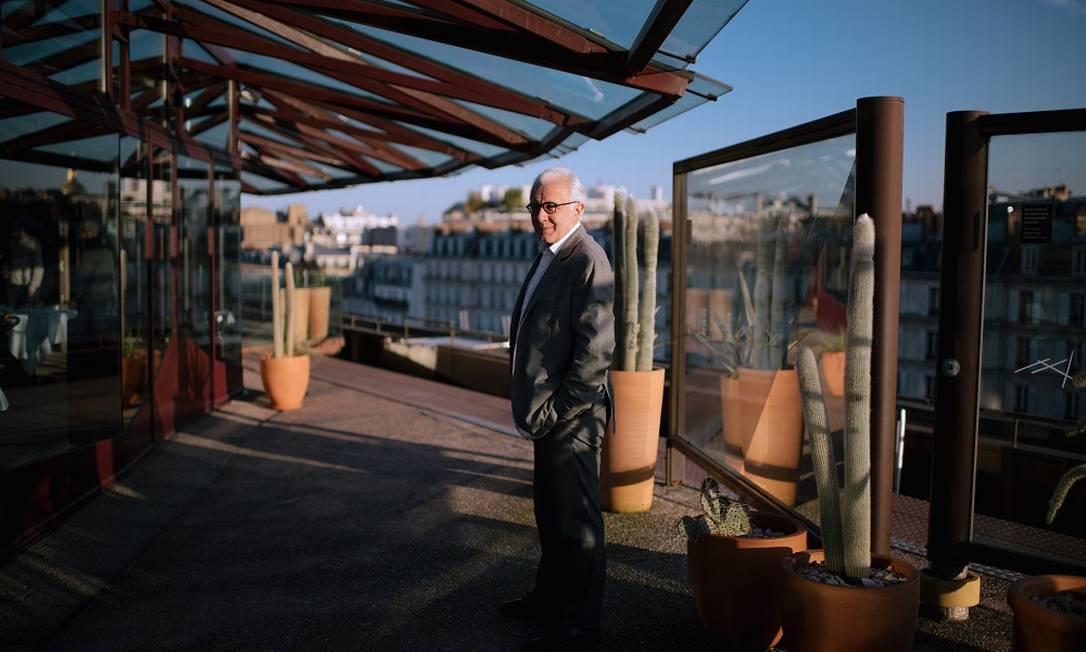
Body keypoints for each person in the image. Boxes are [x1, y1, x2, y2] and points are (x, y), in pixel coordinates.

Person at [502, 168, 615, 651]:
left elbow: (596, 352)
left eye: (550, 206)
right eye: (535, 207)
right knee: (551, 515)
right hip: (550, 415)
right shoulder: (551, 255)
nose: (541, 216)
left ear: (577, 209)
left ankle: (579, 628)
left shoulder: (588, 259)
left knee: (579, 526)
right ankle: (549, 601)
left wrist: (559, 411)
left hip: (571, 418)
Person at [5, 217, 43, 308]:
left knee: (28, 309)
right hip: (14, 283)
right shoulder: (13, 243)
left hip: (27, 283)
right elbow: (10, 260)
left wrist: (33, 285)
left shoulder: (32, 243)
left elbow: (38, 266)